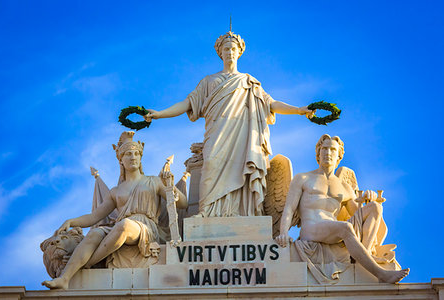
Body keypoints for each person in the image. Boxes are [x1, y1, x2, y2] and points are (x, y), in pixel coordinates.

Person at [145, 31, 314, 217]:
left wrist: (298, 109)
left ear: (239, 51)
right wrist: (160, 114)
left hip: (243, 136)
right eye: (226, 48)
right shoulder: (208, 81)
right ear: (220, 52)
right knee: (210, 165)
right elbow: (187, 104)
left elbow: (271, 104)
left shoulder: (249, 82)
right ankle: (207, 211)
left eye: (233, 48)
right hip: (216, 134)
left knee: (242, 169)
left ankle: (243, 213)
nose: (230, 52)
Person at [42, 131, 187, 289]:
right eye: (128, 154)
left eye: (136, 154)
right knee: (94, 233)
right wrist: (71, 221)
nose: (133, 157)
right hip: (119, 227)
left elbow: (183, 203)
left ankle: (87, 264)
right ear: (121, 160)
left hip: (145, 227)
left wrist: (170, 185)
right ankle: (65, 278)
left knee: (124, 226)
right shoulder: (115, 191)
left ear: (140, 158)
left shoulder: (154, 181)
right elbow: (94, 217)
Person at [275, 134, 409, 283]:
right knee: (345, 228)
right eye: (324, 149)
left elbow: (357, 214)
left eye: (332, 149)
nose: (328, 153)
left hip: (334, 230)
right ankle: (381, 274)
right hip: (311, 229)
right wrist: (283, 233)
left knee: (375, 208)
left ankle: (364, 256)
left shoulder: (345, 187)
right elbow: (289, 209)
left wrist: (367, 199)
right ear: (318, 153)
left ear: (339, 155)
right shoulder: (303, 178)